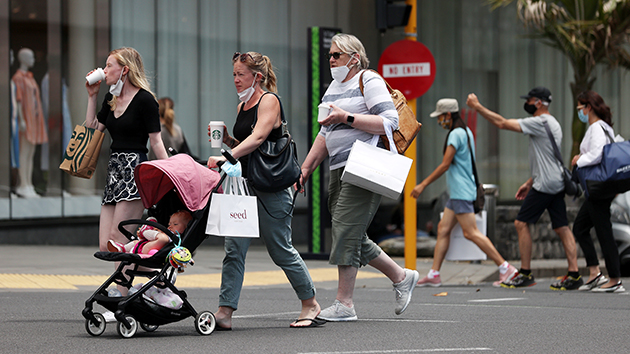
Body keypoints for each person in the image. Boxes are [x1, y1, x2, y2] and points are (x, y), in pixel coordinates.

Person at [299, 33, 419, 322]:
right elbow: (324, 134)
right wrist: (305, 168)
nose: (330, 59)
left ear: (354, 57)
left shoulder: (369, 79)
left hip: (365, 165)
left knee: (345, 230)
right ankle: (401, 276)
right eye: (330, 54)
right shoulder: (333, 89)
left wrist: (346, 118)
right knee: (349, 231)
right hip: (339, 168)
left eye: (336, 55)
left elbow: (389, 121)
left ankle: (345, 304)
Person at [206, 51, 322, 329]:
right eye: (233, 74)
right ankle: (225, 310)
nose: (235, 79)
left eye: (240, 74)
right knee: (234, 249)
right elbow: (249, 140)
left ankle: (310, 303)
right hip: (245, 186)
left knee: (280, 249)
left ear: (257, 76)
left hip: (272, 188)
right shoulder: (242, 106)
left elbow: (259, 138)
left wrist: (228, 154)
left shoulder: (269, 101)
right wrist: (227, 139)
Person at [466, 87, 583, 290]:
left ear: (538, 102)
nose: (526, 103)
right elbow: (547, 158)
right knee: (562, 227)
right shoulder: (553, 123)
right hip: (554, 181)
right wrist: (530, 182)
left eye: (529, 100)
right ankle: (574, 274)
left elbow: (502, 123)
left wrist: (477, 107)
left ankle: (525, 273)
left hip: (545, 184)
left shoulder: (540, 122)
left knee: (521, 223)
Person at [85, 47, 168, 313]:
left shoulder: (145, 101)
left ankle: (121, 298)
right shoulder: (110, 99)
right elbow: (92, 131)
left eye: (109, 66)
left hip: (134, 171)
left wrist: (171, 173)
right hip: (114, 172)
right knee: (105, 245)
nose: (105, 70)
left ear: (125, 70)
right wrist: (92, 96)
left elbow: (156, 141)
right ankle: (160, 274)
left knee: (117, 241)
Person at [411, 98, 517, 287]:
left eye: (440, 117)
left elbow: (445, 165)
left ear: (448, 115)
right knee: (443, 229)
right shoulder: (465, 131)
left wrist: (422, 185)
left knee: (471, 233)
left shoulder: (455, 135)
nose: (439, 121)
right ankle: (434, 274)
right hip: (459, 192)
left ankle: (505, 268)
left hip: (461, 192)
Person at [571, 91, 624, 293]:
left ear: (588, 107)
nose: (579, 113)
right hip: (602, 188)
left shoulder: (596, 127)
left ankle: (615, 279)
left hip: (599, 188)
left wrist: (579, 159)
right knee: (580, 228)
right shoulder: (604, 127)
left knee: (604, 232)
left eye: (580, 109)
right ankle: (595, 274)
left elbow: (599, 152)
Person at [12, 48, 49, 198]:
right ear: (22, 59)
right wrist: (21, 119)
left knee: (31, 153)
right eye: (31, 57)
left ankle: (28, 184)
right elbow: (18, 100)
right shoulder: (18, 78)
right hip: (25, 120)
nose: (34, 59)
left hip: (35, 120)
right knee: (24, 152)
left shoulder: (31, 78)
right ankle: (22, 184)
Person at [107, 210, 192, 255]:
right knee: (137, 242)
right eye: (169, 224)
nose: (170, 226)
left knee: (163, 238)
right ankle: (123, 248)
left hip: (152, 250)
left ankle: (145, 231)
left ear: (186, 227)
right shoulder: (168, 231)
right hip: (145, 246)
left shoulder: (179, 238)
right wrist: (157, 231)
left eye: (175, 224)